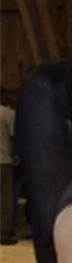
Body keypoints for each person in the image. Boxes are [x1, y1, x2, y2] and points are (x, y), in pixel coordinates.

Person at [0, 97, 17, 245]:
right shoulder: (7, 114)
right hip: (4, 161)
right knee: (6, 199)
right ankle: (3, 233)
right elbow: (13, 138)